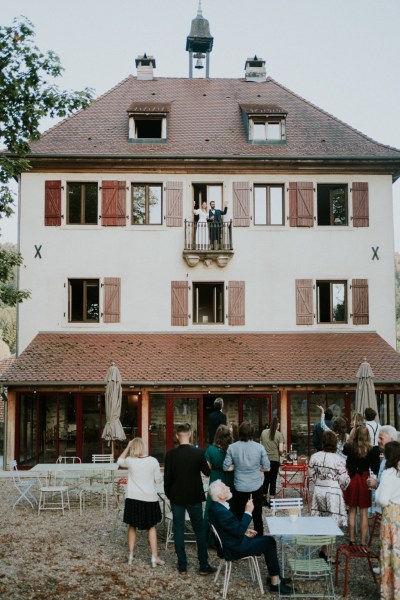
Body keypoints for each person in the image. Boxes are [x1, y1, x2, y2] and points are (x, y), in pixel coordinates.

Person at [208, 479, 293, 595]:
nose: (228, 488)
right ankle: (275, 582)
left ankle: (275, 576)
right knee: (269, 542)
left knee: (269, 541)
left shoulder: (215, 506)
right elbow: (235, 530)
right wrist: (248, 512)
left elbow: (227, 528)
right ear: (221, 495)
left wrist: (244, 531)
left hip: (232, 542)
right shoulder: (221, 512)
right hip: (235, 548)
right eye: (225, 488)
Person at [163, 423, 215, 575]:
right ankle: (203, 564)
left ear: (177, 436)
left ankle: (182, 565)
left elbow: (167, 480)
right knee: (199, 530)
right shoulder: (199, 453)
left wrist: (170, 495)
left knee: (178, 529)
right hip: (194, 495)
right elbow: (207, 473)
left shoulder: (171, 454)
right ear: (190, 434)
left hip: (177, 496)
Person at [117, 437, 164, 567]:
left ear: (133, 447)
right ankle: (154, 557)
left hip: (133, 498)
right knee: (151, 527)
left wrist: (127, 446)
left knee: (132, 526)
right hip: (149, 498)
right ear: (144, 447)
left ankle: (131, 555)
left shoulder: (130, 461)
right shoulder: (153, 461)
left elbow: (119, 461)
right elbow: (158, 480)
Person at [308, 430, 350, 562]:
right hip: (333, 490)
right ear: (335, 444)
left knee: (321, 520)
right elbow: (344, 479)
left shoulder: (315, 456)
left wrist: (318, 480)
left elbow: (310, 473)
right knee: (332, 522)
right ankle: (330, 555)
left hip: (319, 489)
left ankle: (323, 549)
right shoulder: (339, 460)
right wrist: (343, 485)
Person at [223, 421, 270, 536]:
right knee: (257, 515)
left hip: (240, 486)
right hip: (256, 485)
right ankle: (259, 542)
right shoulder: (259, 448)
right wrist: (257, 468)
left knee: (239, 515)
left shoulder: (232, 448)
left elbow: (225, 467)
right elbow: (267, 467)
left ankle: (240, 540)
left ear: (239, 433)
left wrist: (237, 466)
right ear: (252, 433)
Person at [366, 425, 399, 576]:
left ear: (392, 440)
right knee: (385, 538)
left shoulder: (393, 464)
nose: (378, 441)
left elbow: (390, 489)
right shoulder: (387, 458)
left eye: (381, 438)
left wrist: (377, 485)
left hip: (390, 507)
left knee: (390, 540)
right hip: (388, 506)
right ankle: (384, 564)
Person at [343, 424, 380, 545]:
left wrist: (352, 434)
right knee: (364, 512)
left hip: (352, 478)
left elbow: (344, 450)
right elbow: (375, 468)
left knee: (352, 510)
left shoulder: (349, 447)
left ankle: (352, 539)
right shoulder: (372, 449)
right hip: (364, 479)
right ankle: (363, 542)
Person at [375, 441, 400, 600]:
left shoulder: (389, 473)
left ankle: (390, 592)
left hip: (391, 514)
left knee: (389, 552)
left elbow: (382, 499)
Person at [204, 425, 234, 545]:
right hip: (229, 478)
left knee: (212, 506)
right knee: (229, 506)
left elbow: (207, 469)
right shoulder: (232, 449)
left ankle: (211, 538)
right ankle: (228, 537)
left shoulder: (210, 450)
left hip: (216, 478)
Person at [260, 417, 285, 507]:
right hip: (275, 459)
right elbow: (281, 450)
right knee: (273, 480)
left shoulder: (263, 432)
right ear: (278, 424)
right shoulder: (279, 435)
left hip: (265, 459)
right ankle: (271, 500)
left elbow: (260, 445)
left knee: (266, 479)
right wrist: (280, 451)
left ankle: (263, 499)